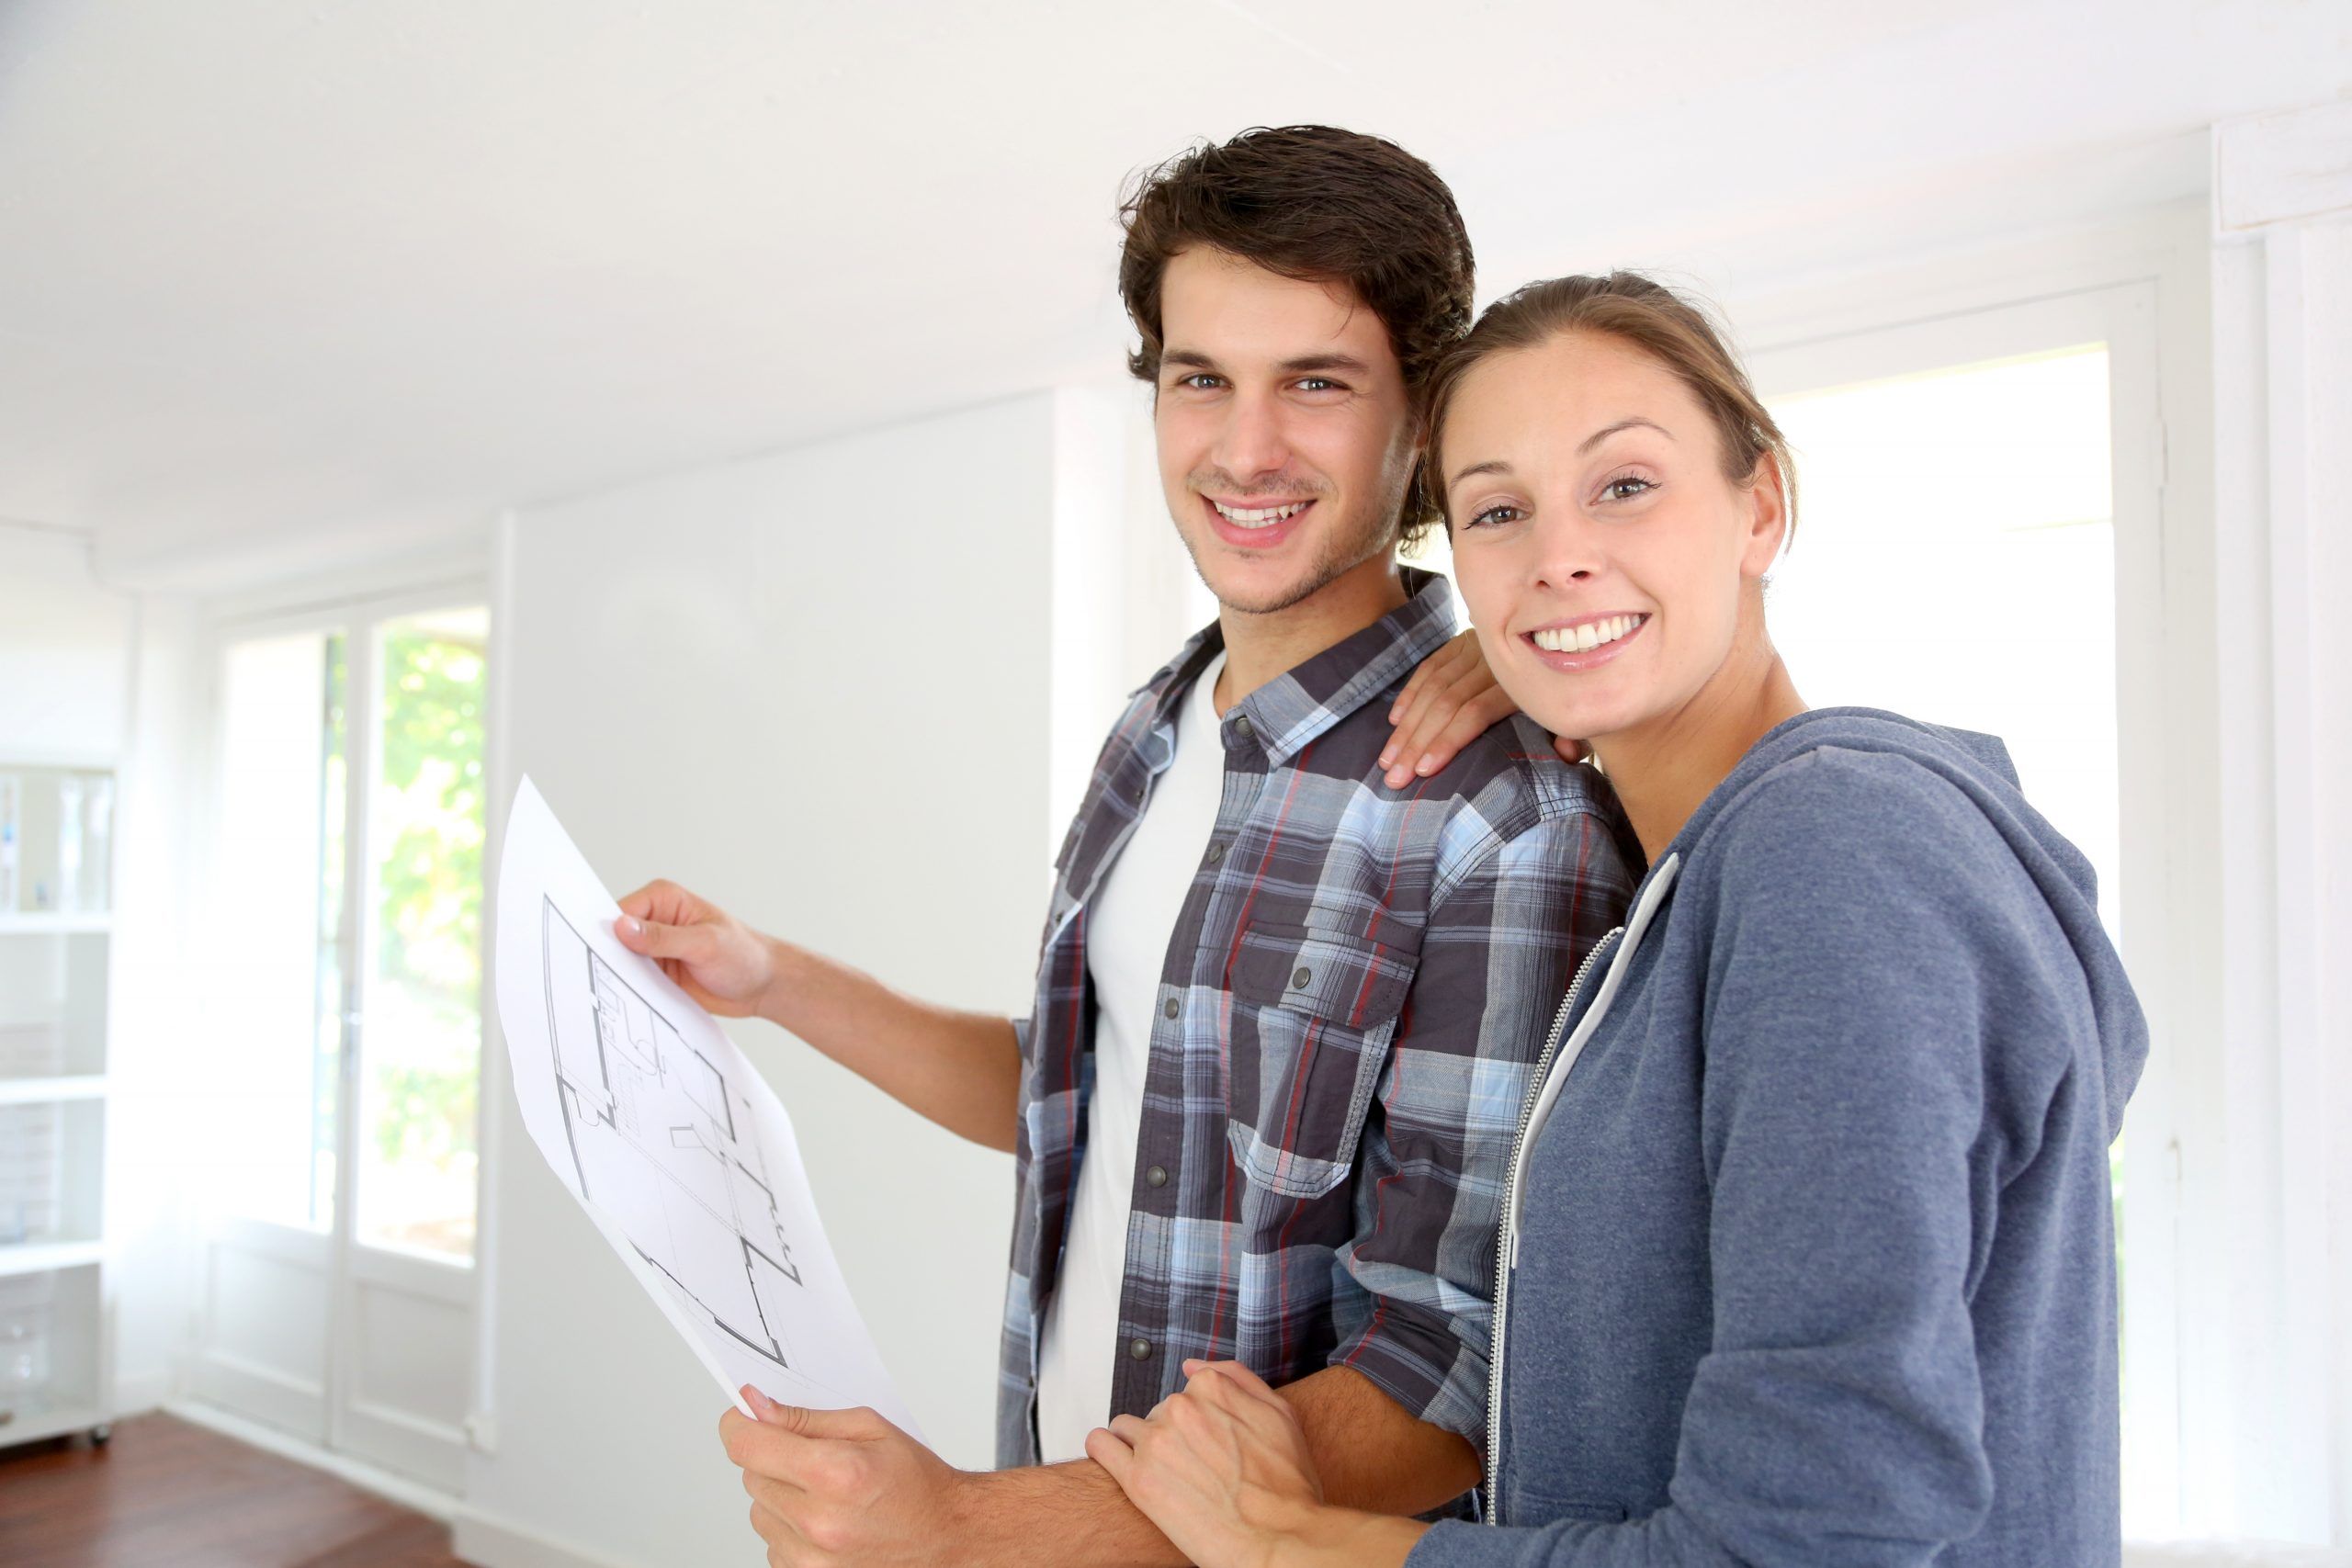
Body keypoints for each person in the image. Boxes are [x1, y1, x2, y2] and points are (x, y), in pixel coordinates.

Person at [622, 130, 1639, 1565]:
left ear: (1425, 415)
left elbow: (1454, 1370)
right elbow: (1081, 1094)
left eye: (1317, 384)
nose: (1244, 449)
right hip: (1054, 1511)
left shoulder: (1505, 812)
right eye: (1200, 378)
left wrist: (973, 1528)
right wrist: (773, 979)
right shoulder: (1156, 728)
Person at [1085, 271, 2149, 1568]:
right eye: (1499, 512)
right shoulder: (1697, 886)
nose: (1558, 557)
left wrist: (1286, 1544)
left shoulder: (1834, 852)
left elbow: (1807, 1545)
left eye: (1626, 485)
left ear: (1762, 506)